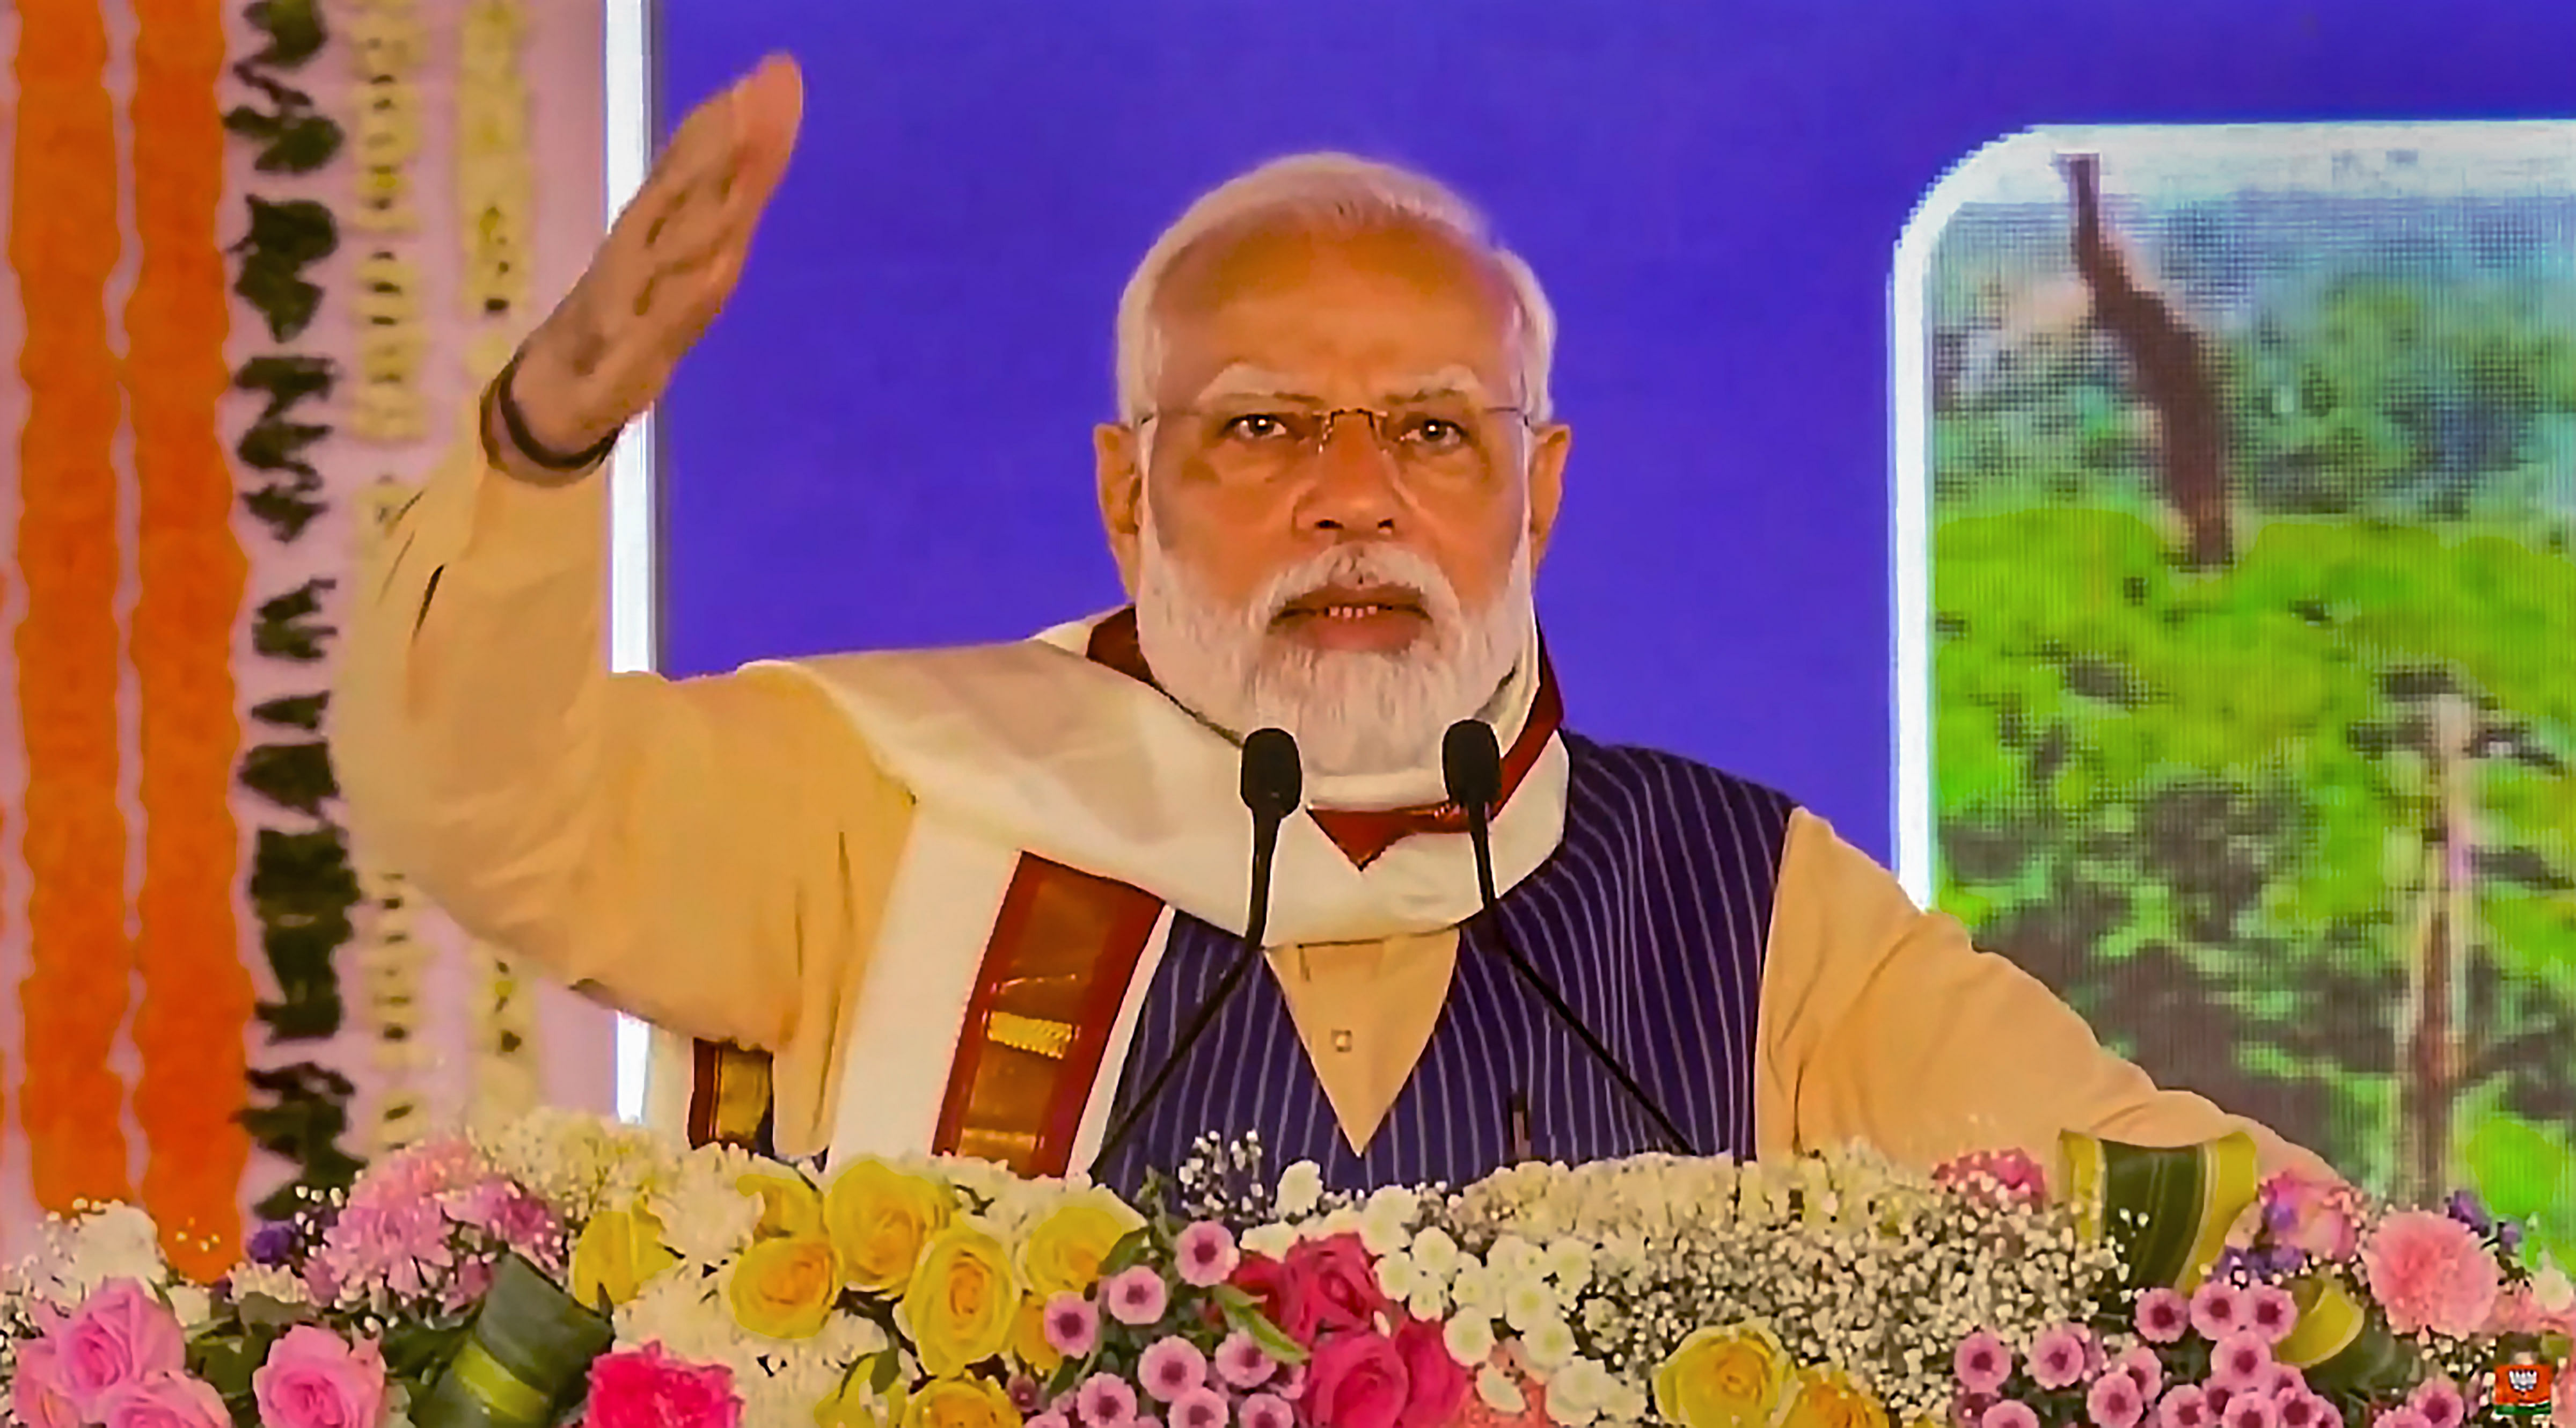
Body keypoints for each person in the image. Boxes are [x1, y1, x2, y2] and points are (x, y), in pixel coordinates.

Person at [334, 55, 2328, 1192]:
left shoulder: (1751, 905)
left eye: (1435, 434)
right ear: (1127, 494)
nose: (1351, 492)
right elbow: (487, 798)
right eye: (1265, 425)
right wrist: (538, 444)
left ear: (1539, 491)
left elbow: (2154, 1211)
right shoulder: (886, 810)